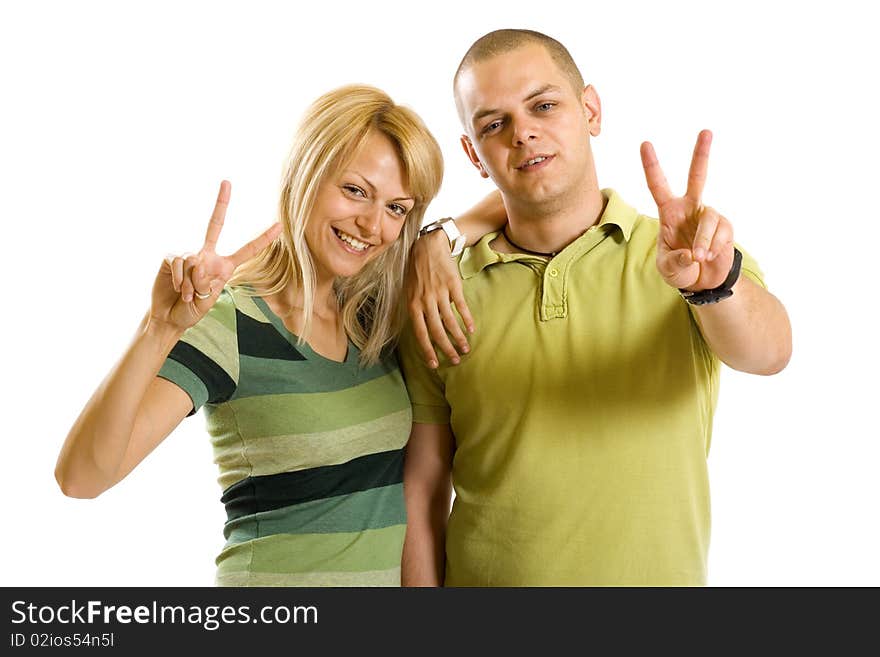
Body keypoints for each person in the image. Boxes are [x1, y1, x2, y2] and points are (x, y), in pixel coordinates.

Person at [399, 29, 793, 586]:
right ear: (473, 154)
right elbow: (424, 486)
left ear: (590, 110)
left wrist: (711, 285)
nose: (524, 133)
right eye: (494, 123)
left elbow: (771, 352)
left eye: (544, 105)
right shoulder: (440, 295)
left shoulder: (686, 258)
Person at [54, 84, 460, 587]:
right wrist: (158, 328)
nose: (373, 224)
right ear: (305, 177)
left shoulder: (374, 320)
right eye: (355, 190)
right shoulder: (233, 324)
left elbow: (517, 205)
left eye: (397, 208)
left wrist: (439, 238)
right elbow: (82, 478)